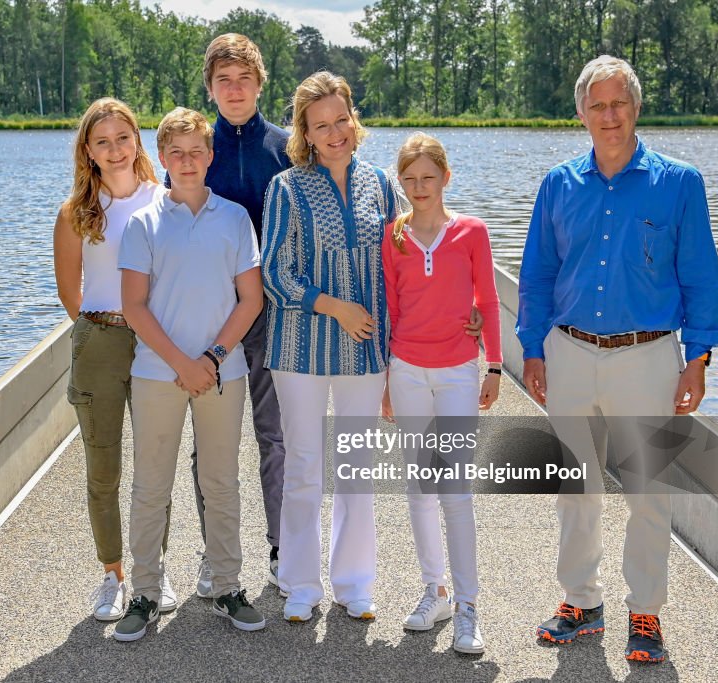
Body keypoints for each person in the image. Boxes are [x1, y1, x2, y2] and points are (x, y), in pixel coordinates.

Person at [517, 55, 718, 663]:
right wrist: (531, 348)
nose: (610, 116)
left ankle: (646, 615)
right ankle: (580, 601)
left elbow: (701, 276)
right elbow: (537, 274)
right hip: (570, 353)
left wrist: (699, 357)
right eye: (597, 105)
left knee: (647, 491)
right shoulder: (558, 183)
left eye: (620, 103)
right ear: (581, 113)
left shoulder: (679, 183)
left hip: (650, 359)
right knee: (574, 488)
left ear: (636, 107)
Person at [114, 107, 266, 641]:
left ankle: (226, 585)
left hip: (223, 372)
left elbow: (250, 299)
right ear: (161, 158)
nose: (186, 161)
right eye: (175, 152)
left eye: (195, 151)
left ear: (210, 156)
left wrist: (212, 359)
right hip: (158, 373)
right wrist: (183, 363)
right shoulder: (144, 222)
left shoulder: (234, 219)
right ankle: (145, 593)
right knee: (151, 486)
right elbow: (134, 305)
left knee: (221, 482)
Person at [260, 71, 403, 623]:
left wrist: (397, 353)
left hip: (366, 352)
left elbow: (397, 271)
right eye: (322, 125)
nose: (335, 132)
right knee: (303, 467)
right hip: (300, 351)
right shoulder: (287, 189)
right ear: (306, 132)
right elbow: (275, 272)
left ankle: (354, 584)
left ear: (353, 118)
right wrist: (334, 306)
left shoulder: (382, 185)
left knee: (357, 468)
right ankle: (300, 585)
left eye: (341, 119)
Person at [52, 98, 175, 622]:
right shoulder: (76, 212)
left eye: (123, 137)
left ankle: (153, 570)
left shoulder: (165, 201)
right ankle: (113, 574)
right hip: (99, 342)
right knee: (103, 468)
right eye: (102, 141)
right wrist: (105, 328)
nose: (115, 149)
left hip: (153, 341)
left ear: (137, 140)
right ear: (89, 151)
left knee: (154, 463)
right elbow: (69, 293)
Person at [381, 132, 502, 654]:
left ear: (446, 178)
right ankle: (436, 591)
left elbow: (489, 300)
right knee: (419, 489)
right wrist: (387, 379)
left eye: (428, 177)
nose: (419, 187)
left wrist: (494, 365)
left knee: (454, 491)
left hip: (456, 372)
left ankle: (470, 606)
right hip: (407, 370)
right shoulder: (395, 236)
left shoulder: (471, 232)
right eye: (409, 180)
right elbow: (390, 307)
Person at [186, 33, 291, 594]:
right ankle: (215, 553)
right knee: (212, 443)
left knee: (276, 437)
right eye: (223, 80)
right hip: (213, 318)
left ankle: (282, 549)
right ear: (210, 87)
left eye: (243, 79)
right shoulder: (198, 151)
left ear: (259, 83)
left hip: (275, 318)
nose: (234, 89)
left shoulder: (287, 147)